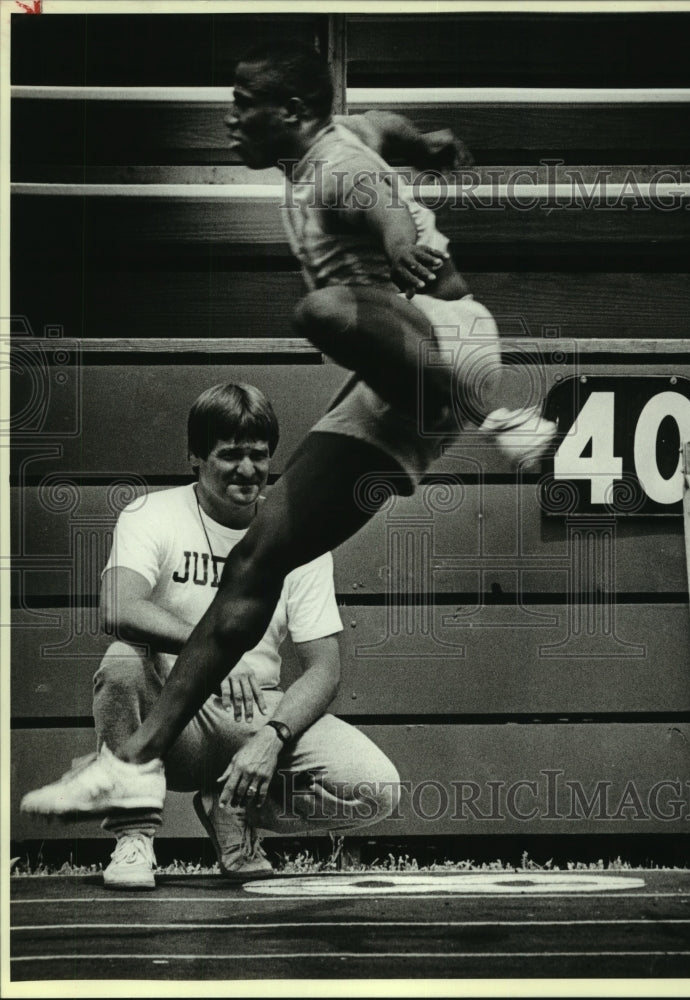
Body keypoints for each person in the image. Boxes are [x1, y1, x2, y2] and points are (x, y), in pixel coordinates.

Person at [21, 42, 556, 820]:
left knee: (321, 309)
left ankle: (496, 422)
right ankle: (133, 763)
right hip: (389, 384)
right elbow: (387, 127)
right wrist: (430, 144)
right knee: (255, 561)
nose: (231, 121)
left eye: (246, 106)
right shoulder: (344, 139)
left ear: (294, 114)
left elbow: (385, 205)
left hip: (446, 342)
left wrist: (407, 241)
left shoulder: (338, 164)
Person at [90, 382, 400, 888]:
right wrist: (215, 653)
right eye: (229, 455)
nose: (248, 470)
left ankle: (233, 810)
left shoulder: (298, 534)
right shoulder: (152, 514)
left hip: (254, 711)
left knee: (376, 789)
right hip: (176, 716)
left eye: (259, 455)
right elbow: (118, 609)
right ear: (194, 456)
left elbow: (324, 668)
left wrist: (274, 738)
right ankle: (134, 834)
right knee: (122, 661)